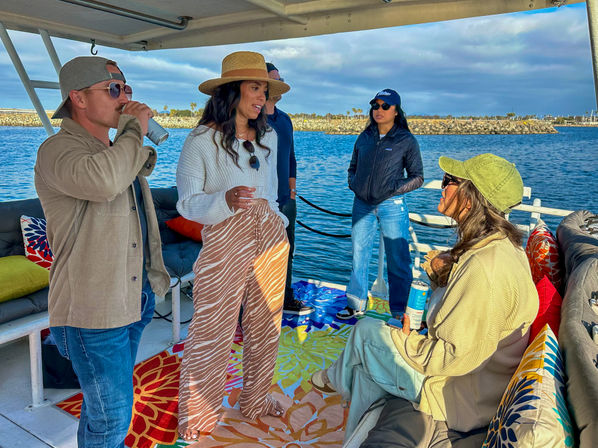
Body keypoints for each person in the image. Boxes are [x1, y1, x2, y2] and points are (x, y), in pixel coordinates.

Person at [311, 153, 539, 444]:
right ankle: (352, 429)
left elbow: (453, 359)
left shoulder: (483, 268)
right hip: (476, 381)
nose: (442, 186)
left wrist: (406, 341)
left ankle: (334, 378)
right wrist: (444, 274)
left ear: (470, 200)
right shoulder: (500, 248)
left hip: (459, 395)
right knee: (370, 361)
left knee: (367, 332)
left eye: (449, 181)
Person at [34, 56, 170, 448]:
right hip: (93, 311)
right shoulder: (57, 151)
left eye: (127, 89)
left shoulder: (114, 150)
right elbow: (105, 180)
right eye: (114, 89)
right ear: (77, 97)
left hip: (131, 298)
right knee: (112, 418)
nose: (124, 98)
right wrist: (133, 130)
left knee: (102, 413)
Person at [176, 51, 291, 441]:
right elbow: (187, 202)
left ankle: (255, 399)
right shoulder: (200, 141)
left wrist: (277, 221)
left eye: (265, 90)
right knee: (212, 328)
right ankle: (198, 415)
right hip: (226, 234)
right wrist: (223, 201)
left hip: (270, 233)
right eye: (256, 88)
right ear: (231, 91)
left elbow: (273, 194)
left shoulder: (270, 136)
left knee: (265, 324)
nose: (263, 98)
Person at [337, 88, 424, 320]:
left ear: (396, 111)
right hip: (362, 204)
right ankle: (355, 304)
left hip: (391, 205)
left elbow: (418, 177)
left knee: (398, 259)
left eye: (385, 106)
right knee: (358, 254)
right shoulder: (364, 137)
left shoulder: (406, 140)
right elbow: (352, 167)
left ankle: (398, 312)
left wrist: (393, 189)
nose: (379, 110)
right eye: (375, 105)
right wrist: (354, 184)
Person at [265, 61, 314, 315]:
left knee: (288, 250)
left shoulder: (284, 120)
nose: (281, 82)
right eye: (276, 79)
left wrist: (292, 193)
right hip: (262, 201)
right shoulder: (252, 119)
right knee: (261, 255)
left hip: (286, 199)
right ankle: (259, 303)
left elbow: (291, 158)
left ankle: (284, 296)